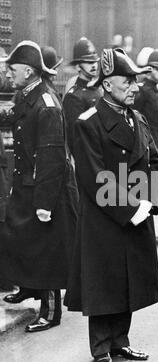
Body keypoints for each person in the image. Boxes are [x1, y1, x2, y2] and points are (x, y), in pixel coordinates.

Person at [65, 48, 158, 362]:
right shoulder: (88, 123)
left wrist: (149, 202)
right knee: (103, 283)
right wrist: (131, 208)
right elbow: (94, 176)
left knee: (129, 280)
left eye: (135, 80)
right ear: (107, 85)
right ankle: (101, 347)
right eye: (127, 81)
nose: (134, 86)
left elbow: (153, 162)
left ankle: (121, 340)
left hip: (133, 211)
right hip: (105, 218)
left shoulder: (137, 118)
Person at [0, 41, 79, 333]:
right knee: (24, 241)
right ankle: (30, 289)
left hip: (46, 189)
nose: (9, 74)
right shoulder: (28, 95)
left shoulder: (46, 104)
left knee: (46, 250)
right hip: (28, 184)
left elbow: (51, 157)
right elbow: (11, 117)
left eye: (13, 69)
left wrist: (45, 203)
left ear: (30, 71)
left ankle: (51, 310)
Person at [63, 37, 102, 157]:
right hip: (88, 159)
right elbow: (76, 138)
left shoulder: (98, 90)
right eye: (89, 62)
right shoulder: (74, 96)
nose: (94, 65)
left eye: (95, 61)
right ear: (78, 67)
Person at [134, 48, 158, 154]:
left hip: (154, 144)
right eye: (157, 69)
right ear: (149, 69)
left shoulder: (154, 90)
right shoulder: (141, 90)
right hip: (144, 147)